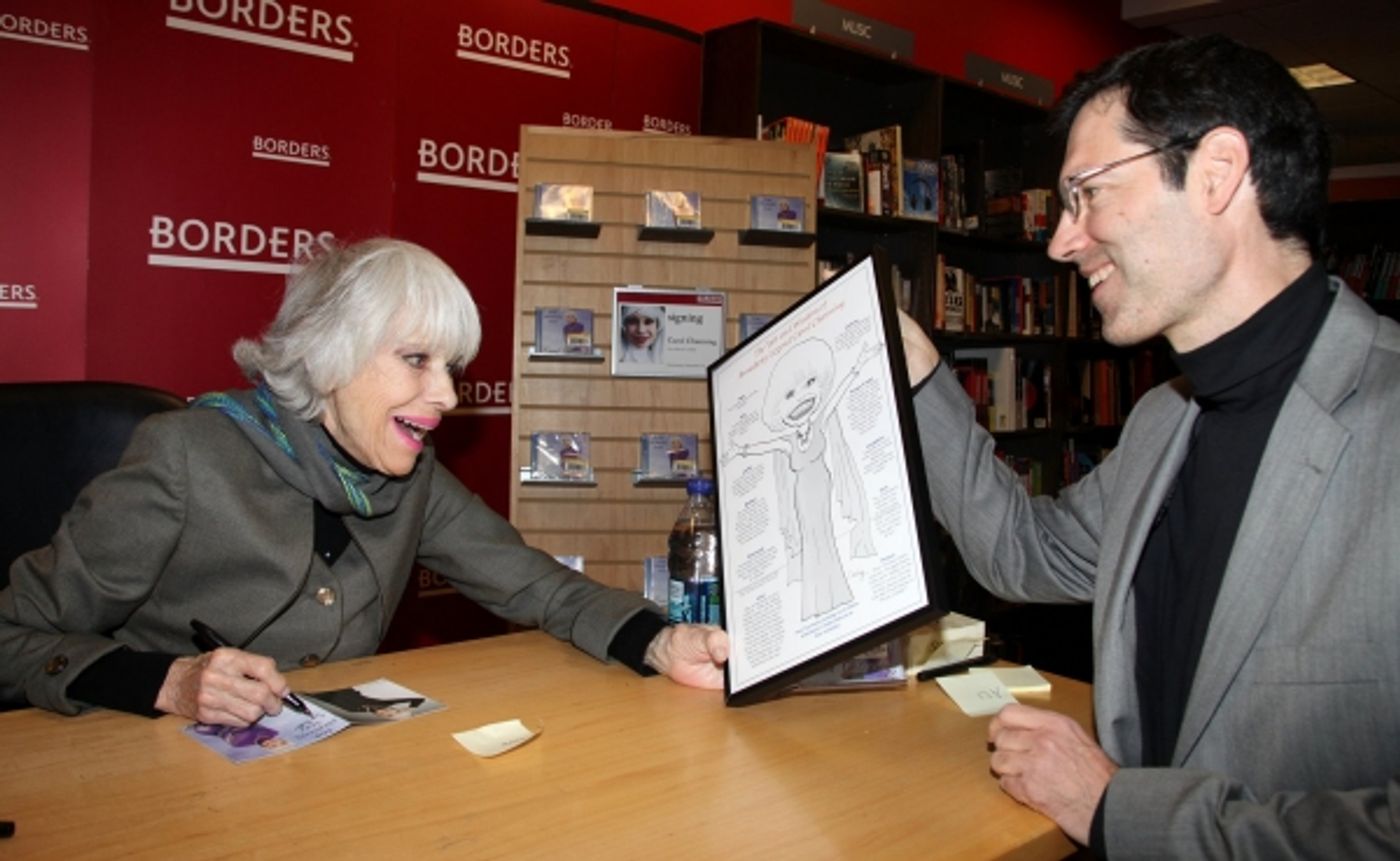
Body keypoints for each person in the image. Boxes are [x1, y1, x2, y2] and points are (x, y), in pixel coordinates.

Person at [899, 35, 1400, 858]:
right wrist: (920, 373)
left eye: (1086, 194)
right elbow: (1021, 552)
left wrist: (1116, 807)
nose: (1062, 241)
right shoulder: (1165, 421)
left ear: (1217, 172)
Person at [0, 238, 728, 726]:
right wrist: (164, 681)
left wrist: (660, 642)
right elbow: (12, 633)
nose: (445, 395)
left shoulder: (412, 477)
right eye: (417, 359)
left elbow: (543, 588)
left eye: (452, 368)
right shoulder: (186, 456)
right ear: (328, 356)